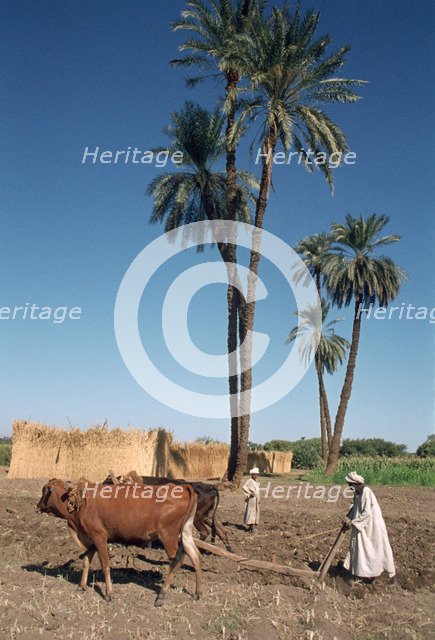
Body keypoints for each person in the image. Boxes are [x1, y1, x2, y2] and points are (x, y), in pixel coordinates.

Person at [342, 471, 396, 584]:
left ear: (356, 484)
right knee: (362, 550)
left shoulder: (366, 492)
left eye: (350, 484)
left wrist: (353, 522)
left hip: (372, 527)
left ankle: (384, 577)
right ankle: (362, 574)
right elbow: (355, 508)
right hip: (362, 527)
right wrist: (349, 517)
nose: (348, 486)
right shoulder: (358, 493)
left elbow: (367, 512)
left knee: (375, 549)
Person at [243, 467, 260, 533]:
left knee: (254, 512)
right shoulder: (249, 480)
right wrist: (249, 493)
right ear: (252, 474)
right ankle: (252, 527)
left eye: (257, 474)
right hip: (252, 499)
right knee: (252, 512)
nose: (256, 476)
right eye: (255, 474)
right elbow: (244, 487)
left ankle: (251, 526)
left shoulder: (256, 481)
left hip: (256, 499)